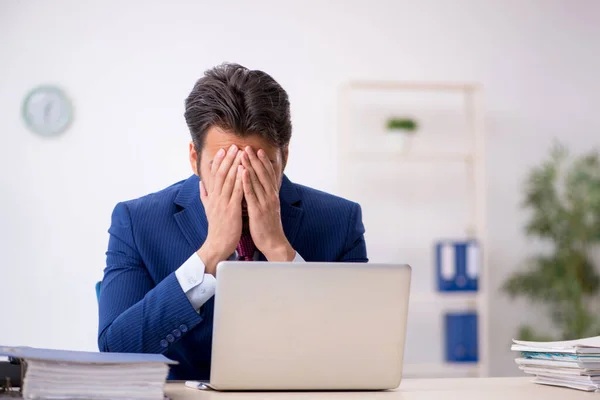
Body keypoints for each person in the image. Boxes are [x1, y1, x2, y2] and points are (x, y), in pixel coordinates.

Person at [97, 63, 368, 380]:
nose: (240, 184)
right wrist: (210, 254)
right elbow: (116, 350)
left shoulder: (340, 221)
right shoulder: (138, 222)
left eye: (257, 166)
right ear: (194, 159)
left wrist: (280, 251)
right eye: (224, 167)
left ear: (285, 157)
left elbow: (358, 349)